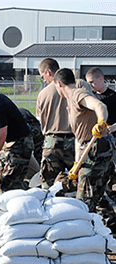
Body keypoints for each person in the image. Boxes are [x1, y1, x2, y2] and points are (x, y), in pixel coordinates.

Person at [54, 68, 116, 232]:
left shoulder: (77, 94)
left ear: (59, 84)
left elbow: (99, 105)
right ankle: (108, 228)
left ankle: (86, 234)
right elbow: (78, 135)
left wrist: (101, 122)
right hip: (89, 147)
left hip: (97, 146)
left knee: (84, 199)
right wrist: (76, 163)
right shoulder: (70, 101)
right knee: (98, 192)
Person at [37, 58, 91, 189]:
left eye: (42, 75)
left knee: (48, 184)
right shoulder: (79, 85)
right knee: (82, 180)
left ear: (48, 72)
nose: (43, 80)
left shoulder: (42, 94)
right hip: (74, 140)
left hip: (51, 142)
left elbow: (40, 117)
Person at [86, 67, 116, 202]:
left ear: (101, 79)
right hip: (97, 142)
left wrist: (112, 128)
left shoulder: (113, 97)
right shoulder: (91, 98)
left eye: (92, 82)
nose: (90, 85)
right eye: (88, 83)